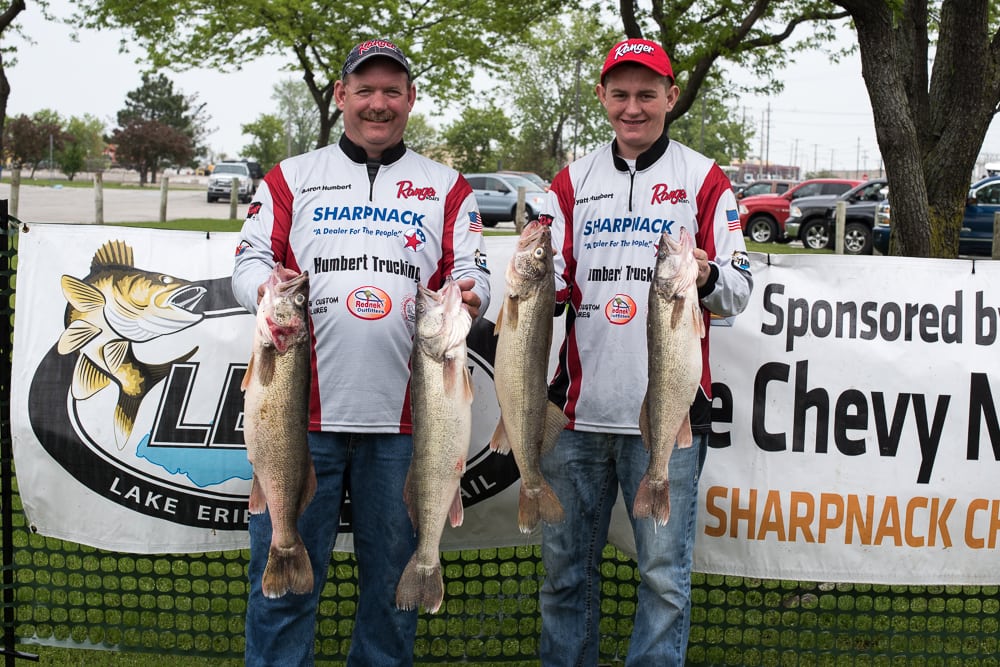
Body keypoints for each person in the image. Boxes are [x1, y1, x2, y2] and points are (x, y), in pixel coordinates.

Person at [232, 38, 491, 667]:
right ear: (342, 95)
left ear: (410, 99)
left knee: (391, 599)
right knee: (283, 590)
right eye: (365, 90)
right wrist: (265, 290)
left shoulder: (447, 187)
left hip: (410, 428)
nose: (378, 104)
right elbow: (249, 261)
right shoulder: (290, 177)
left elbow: (476, 274)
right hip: (301, 420)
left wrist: (472, 293)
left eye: (392, 91)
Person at [538, 38, 753, 666]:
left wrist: (707, 276)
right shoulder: (571, 182)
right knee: (562, 580)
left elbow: (737, 290)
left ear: (671, 96)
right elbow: (548, 282)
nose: (634, 108)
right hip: (575, 416)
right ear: (603, 96)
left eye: (647, 94)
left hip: (671, 419)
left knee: (663, 583)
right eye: (621, 94)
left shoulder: (704, 178)